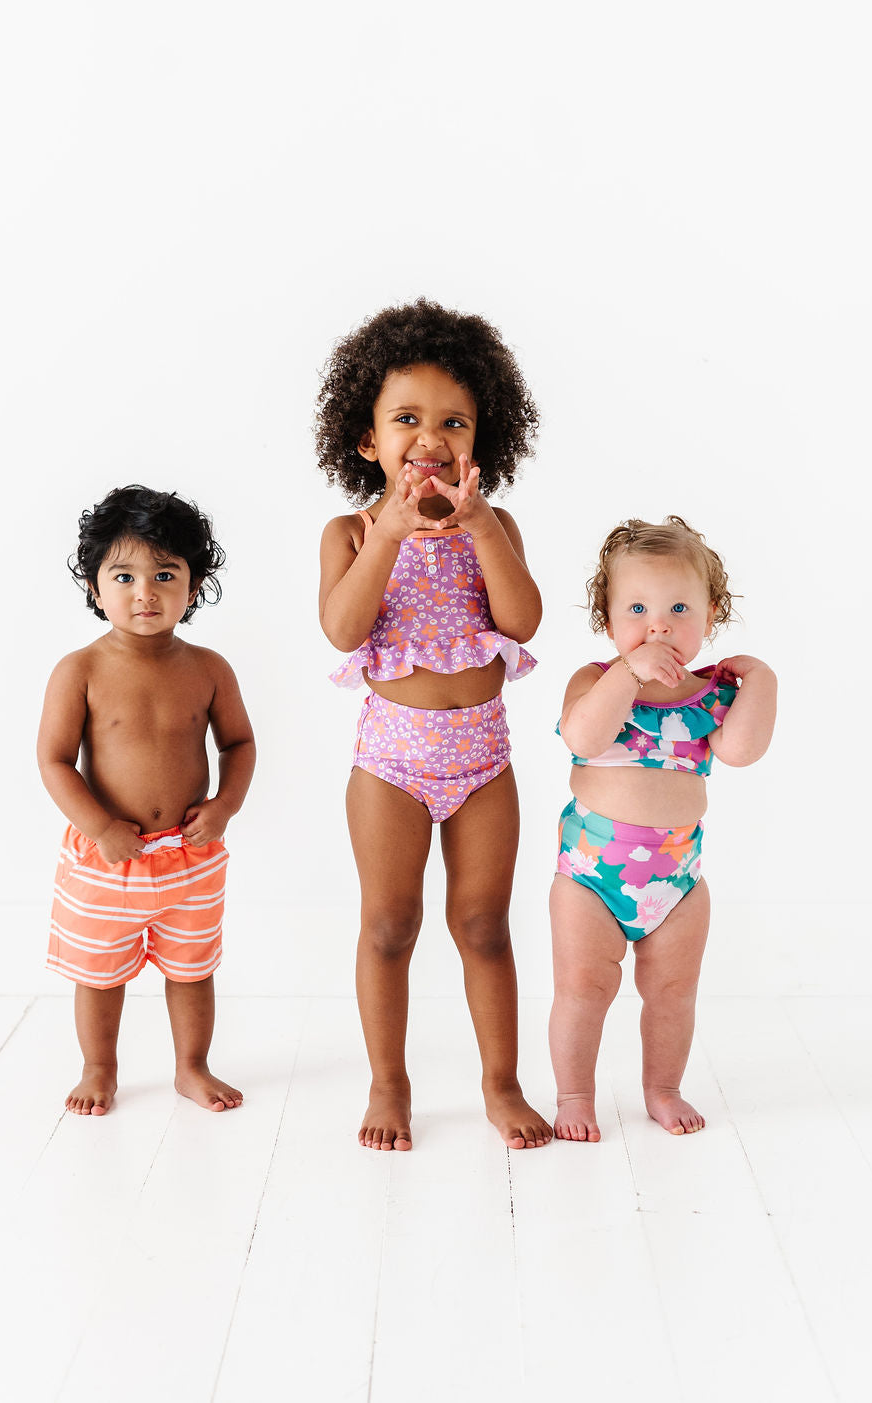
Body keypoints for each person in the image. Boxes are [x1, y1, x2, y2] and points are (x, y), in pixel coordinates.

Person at [317, 298, 552, 1151]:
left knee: (484, 925)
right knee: (390, 925)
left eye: (454, 421)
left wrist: (482, 525)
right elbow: (343, 629)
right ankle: (389, 1082)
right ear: (366, 439)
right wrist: (389, 531)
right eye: (406, 419)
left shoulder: (496, 525)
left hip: (483, 760)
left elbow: (522, 620)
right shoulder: (350, 532)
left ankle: (502, 1082)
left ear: (482, 441)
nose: (431, 437)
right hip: (392, 764)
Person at [550, 516, 776, 1141]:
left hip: (678, 881)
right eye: (637, 609)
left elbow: (741, 752)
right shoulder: (596, 681)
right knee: (582, 989)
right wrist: (629, 673)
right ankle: (574, 1095)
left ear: (710, 616)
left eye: (679, 608)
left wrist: (761, 681)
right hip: (590, 879)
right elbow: (582, 738)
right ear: (607, 618)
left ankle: (663, 1088)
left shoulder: (713, 696)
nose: (659, 626)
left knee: (673, 992)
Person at [38, 485, 255, 1117]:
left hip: (190, 856)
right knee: (98, 973)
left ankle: (192, 1066)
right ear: (94, 586)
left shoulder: (209, 668)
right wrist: (99, 826)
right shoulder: (79, 670)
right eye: (124, 576)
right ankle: (99, 1067)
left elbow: (239, 743)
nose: (145, 593)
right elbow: (54, 761)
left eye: (165, 575)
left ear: (194, 586)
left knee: (192, 968)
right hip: (108, 859)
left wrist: (224, 806)